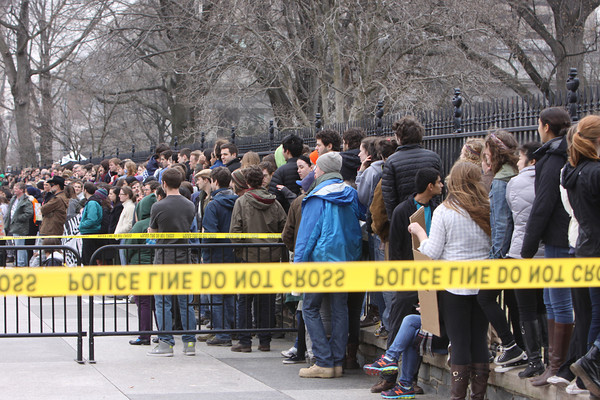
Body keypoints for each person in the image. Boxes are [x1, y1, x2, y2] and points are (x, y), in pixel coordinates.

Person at [408, 161, 491, 400]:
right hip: (483, 283)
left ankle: (457, 396)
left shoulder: (445, 211)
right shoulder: (487, 207)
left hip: (453, 286)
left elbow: (432, 251)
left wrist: (420, 232)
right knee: (479, 340)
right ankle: (478, 395)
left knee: (460, 341)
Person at [294, 152, 364, 379]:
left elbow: (306, 236)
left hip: (321, 261)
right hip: (346, 259)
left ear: (322, 170)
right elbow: (362, 220)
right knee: (340, 309)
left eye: (316, 167)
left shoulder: (316, 196)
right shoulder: (351, 193)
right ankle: (336, 361)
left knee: (310, 308)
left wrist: (298, 267)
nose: (314, 170)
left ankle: (323, 361)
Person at [521, 107, 573, 387]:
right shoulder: (562, 153)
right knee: (553, 299)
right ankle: (555, 364)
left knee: (558, 300)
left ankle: (557, 366)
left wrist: (527, 247)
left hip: (558, 239)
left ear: (545, 126)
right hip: (562, 237)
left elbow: (543, 204)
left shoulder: (552, 158)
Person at [477, 131, 527, 371]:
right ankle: (523, 348)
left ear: (494, 153)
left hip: (503, 254)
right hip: (520, 251)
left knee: (485, 297)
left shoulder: (499, 182)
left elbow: (501, 224)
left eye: (487, 151)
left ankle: (510, 345)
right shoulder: (516, 174)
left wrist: (495, 257)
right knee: (514, 302)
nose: (485, 156)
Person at [562, 114, 600, 398]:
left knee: (595, 312)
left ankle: (589, 371)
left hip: (586, 248)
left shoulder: (573, 173)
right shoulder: (594, 172)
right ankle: (590, 365)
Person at [229, 166, 287, 353]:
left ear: (247, 182)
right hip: (270, 257)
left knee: (245, 299)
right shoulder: (275, 203)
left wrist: (241, 250)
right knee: (266, 300)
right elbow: (285, 227)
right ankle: (265, 341)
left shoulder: (241, 202)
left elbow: (235, 231)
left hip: (249, 256)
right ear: (262, 180)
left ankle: (245, 341)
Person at [506, 141, 547, 379]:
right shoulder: (550, 180)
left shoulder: (514, 183)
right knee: (545, 305)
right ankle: (549, 356)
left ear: (531, 160)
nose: (517, 163)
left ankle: (534, 360)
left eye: (520, 159)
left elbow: (511, 215)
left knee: (526, 308)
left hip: (520, 251)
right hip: (545, 252)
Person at [146, 168, 197, 357]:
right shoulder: (189, 205)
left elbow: (153, 232)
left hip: (164, 257)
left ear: (164, 184)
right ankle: (189, 343)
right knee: (186, 302)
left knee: (163, 302)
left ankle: (166, 343)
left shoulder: (158, 206)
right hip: (184, 257)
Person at [201, 167, 238, 347]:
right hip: (234, 253)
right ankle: (232, 329)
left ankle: (222, 333)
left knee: (217, 296)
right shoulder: (238, 201)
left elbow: (210, 234)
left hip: (216, 255)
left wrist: (204, 253)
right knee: (231, 294)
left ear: (215, 182)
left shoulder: (213, 205)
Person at [381, 116, 442, 220]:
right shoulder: (433, 158)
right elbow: (440, 188)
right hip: (430, 213)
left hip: (404, 216)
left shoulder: (391, 161)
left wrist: (394, 219)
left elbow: (389, 197)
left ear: (399, 137)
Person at [125, 191, 157, 346]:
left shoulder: (140, 225)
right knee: (158, 303)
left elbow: (128, 247)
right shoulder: (160, 223)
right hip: (157, 266)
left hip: (140, 268)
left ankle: (144, 335)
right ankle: (163, 334)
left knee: (143, 302)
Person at [269, 134, 304, 212]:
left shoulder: (280, 172)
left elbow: (274, 198)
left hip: (287, 213)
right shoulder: (309, 168)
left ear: (287, 151)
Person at [79, 184, 109, 265]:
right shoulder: (92, 202)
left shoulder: (92, 203)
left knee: (89, 260)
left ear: (85, 190)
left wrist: (81, 225)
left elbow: (92, 219)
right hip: (89, 233)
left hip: (90, 233)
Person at [5, 182, 34, 266]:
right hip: (13, 225)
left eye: (16, 189)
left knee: (20, 245)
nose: (14, 190)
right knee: (17, 245)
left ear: (21, 190)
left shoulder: (26, 200)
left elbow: (29, 213)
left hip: (20, 226)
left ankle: (21, 263)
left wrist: (19, 218)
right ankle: (20, 261)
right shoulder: (13, 199)